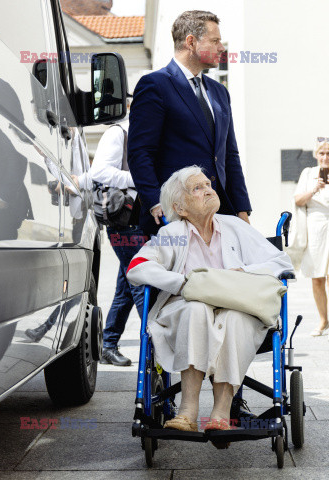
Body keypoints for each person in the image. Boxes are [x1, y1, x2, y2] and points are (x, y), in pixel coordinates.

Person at [126, 166, 293, 440]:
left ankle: (221, 415)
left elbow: (281, 262)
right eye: (197, 188)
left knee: (234, 318)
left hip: (238, 306)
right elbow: (137, 267)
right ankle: (188, 412)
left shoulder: (234, 226)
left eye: (208, 184)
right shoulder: (173, 234)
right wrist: (182, 284)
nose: (208, 189)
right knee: (196, 308)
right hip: (185, 308)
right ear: (180, 207)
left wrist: (243, 274)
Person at [128, 10, 251, 237]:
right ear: (191, 42)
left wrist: (242, 209)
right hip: (172, 215)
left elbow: (229, 155)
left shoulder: (219, 92)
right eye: (215, 41)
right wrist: (157, 202)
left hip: (219, 216)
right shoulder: (155, 85)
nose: (221, 48)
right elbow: (140, 152)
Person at [91, 118, 146, 366]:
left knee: (126, 284)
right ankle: (156, 341)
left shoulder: (144, 132)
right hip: (123, 219)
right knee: (141, 280)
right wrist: (139, 178)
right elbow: (99, 172)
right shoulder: (118, 133)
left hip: (139, 219)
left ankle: (108, 345)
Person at [293, 138, 329, 336]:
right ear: (316, 155)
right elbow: (298, 200)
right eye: (322, 153)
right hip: (316, 230)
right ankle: (323, 320)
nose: (325, 157)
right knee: (317, 278)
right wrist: (314, 189)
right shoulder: (308, 174)